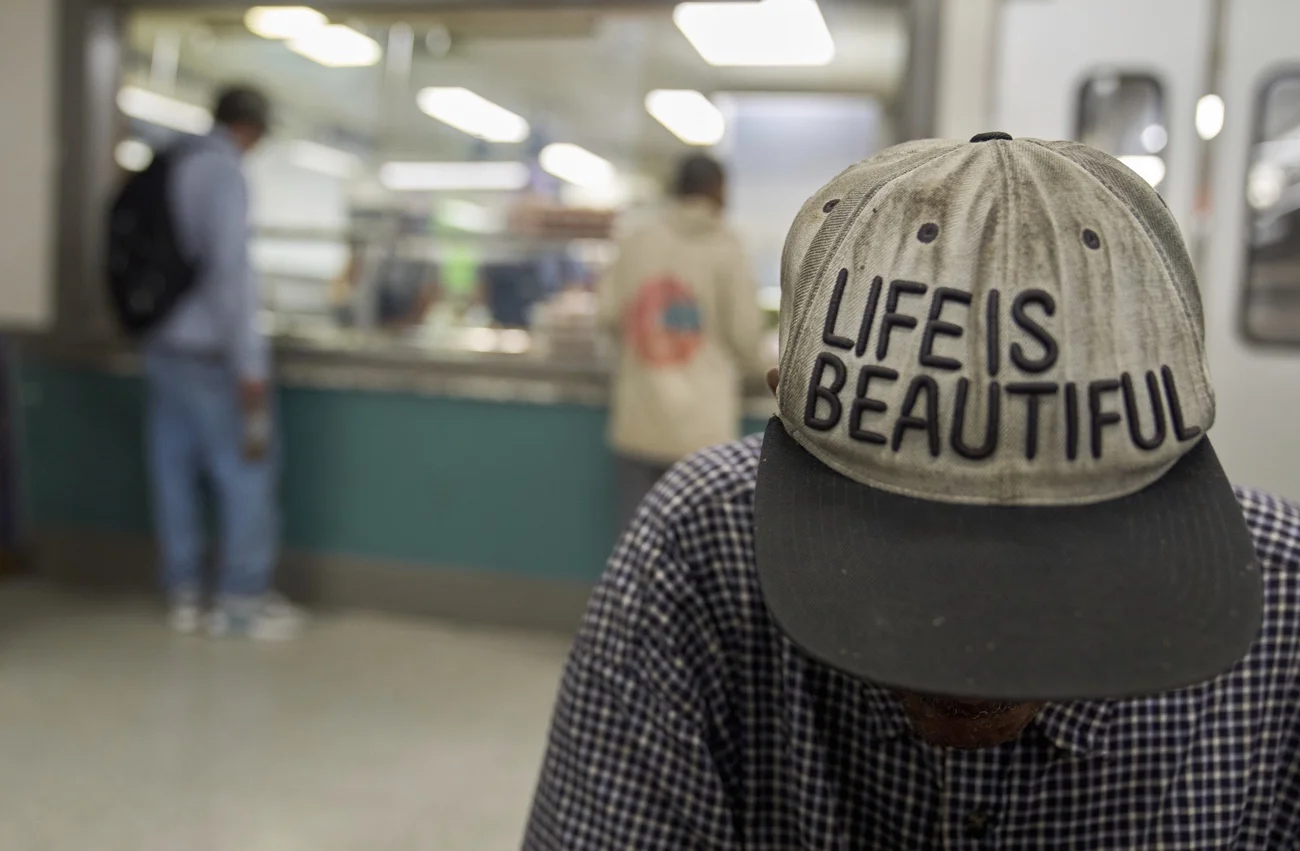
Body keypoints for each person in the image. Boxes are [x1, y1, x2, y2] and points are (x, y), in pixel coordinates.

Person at [523, 134, 1300, 848]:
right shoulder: (699, 554)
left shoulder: (1287, 609)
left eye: (1054, 563)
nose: (973, 657)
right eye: (916, 549)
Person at [144, 86, 302, 640]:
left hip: (164, 346)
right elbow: (230, 276)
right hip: (214, 354)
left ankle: (183, 592)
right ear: (251, 128)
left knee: (174, 471)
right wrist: (251, 364)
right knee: (246, 470)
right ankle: (241, 599)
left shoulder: (171, 160)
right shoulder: (223, 172)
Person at [599, 154, 761, 530]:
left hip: (639, 420)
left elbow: (608, 317)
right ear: (717, 189)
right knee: (697, 552)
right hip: (702, 432)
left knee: (637, 546)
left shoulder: (636, 239)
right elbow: (745, 336)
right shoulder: (728, 247)